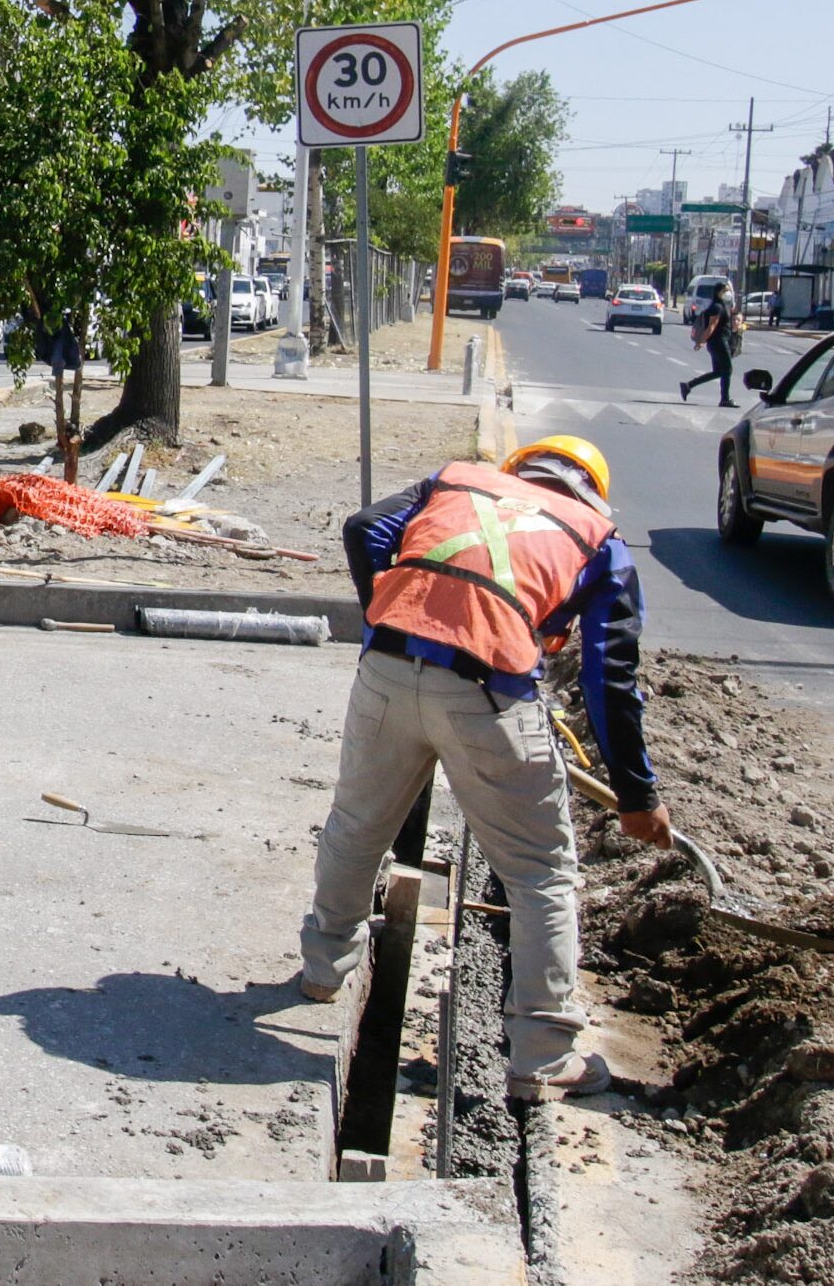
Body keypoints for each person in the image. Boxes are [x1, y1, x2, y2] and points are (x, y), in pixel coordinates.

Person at [299, 436, 668, 1103]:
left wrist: (393, 612)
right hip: (489, 693)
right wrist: (637, 794)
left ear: (521, 468)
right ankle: (544, 1057)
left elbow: (363, 529)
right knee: (540, 871)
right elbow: (609, 675)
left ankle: (325, 967)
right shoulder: (598, 537)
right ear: (589, 489)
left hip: (385, 671)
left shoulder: (458, 480)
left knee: (357, 823)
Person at [677, 281, 743, 406]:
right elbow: (711, 326)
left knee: (718, 372)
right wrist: (701, 341)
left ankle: (688, 386)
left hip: (718, 342)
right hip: (718, 342)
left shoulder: (720, 305)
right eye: (725, 291)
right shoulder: (716, 307)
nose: (727, 293)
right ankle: (725, 399)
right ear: (719, 292)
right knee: (727, 369)